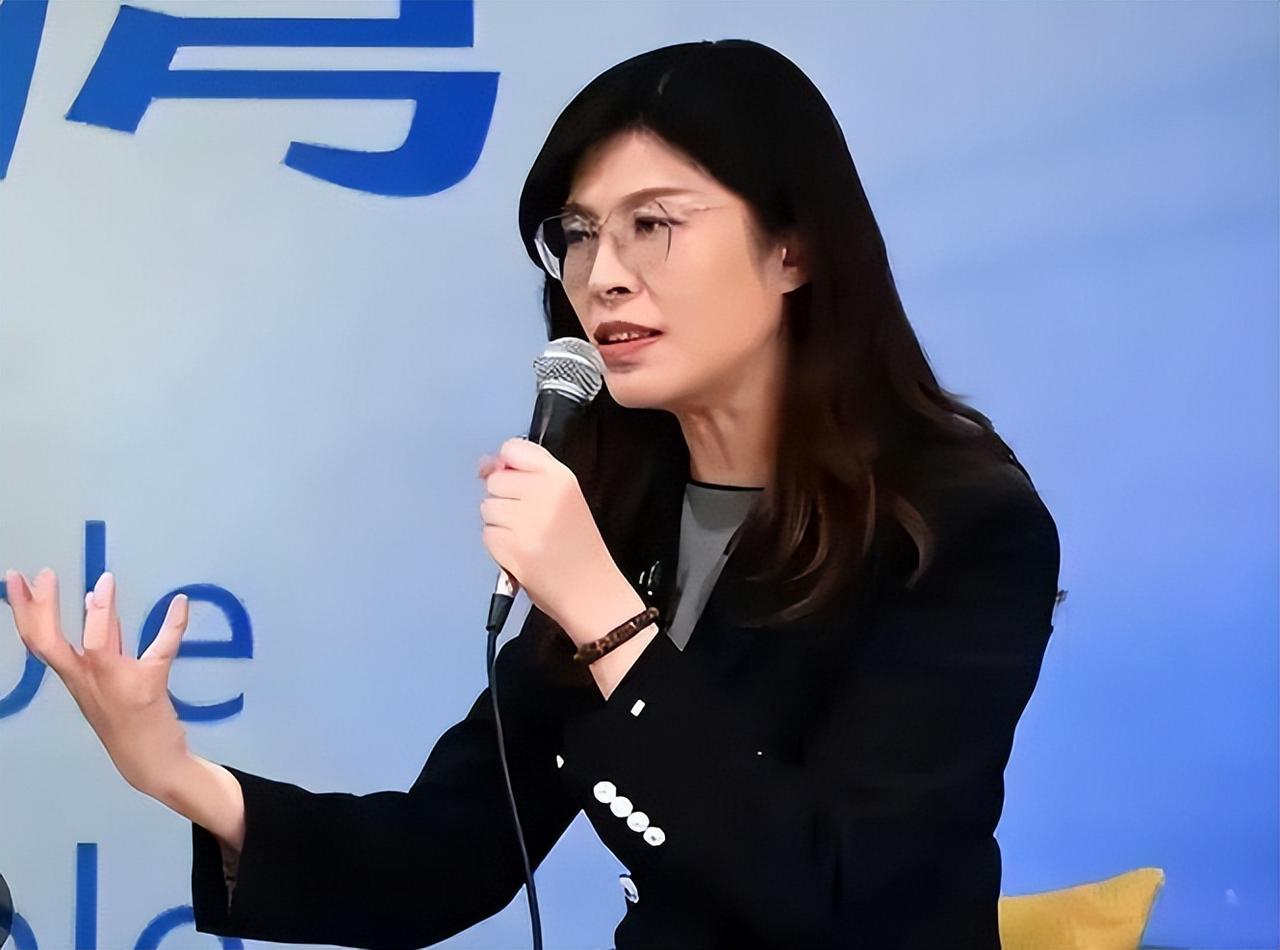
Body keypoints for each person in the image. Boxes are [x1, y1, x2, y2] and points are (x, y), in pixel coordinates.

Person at [4, 39, 1064, 949]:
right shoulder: (623, 518)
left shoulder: (958, 528)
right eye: (578, 234)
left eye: (653, 223)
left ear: (793, 248)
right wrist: (175, 772)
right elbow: (446, 855)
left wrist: (603, 612)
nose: (602, 276)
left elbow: (845, 897)